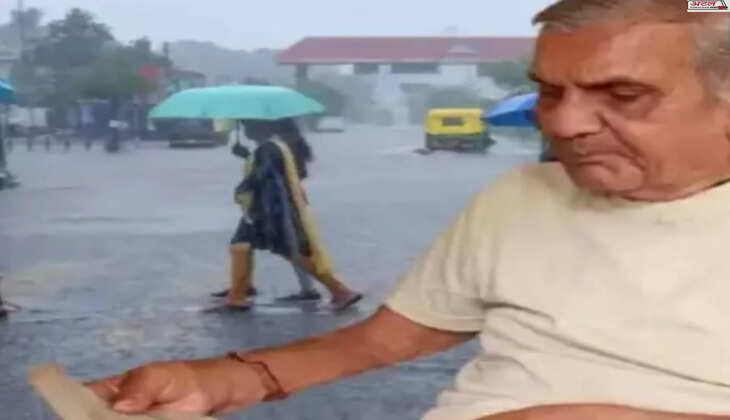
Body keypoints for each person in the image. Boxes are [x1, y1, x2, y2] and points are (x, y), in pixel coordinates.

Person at [88, 2, 730, 419]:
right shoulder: (522, 195)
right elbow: (386, 339)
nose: (564, 123)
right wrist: (221, 379)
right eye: (551, 92)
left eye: (623, 95)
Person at [213, 118, 362, 312]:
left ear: (263, 126)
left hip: (269, 210)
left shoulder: (268, 149)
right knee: (243, 245)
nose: (247, 130)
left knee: (288, 251)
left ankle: (340, 291)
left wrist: (245, 189)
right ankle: (238, 294)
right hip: (269, 208)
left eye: (249, 125)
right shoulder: (272, 147)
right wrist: (247, 155)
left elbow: (263, 179)